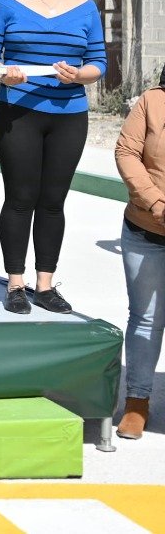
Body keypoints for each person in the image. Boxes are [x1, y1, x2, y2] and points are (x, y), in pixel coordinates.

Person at [0, 0, 107, 315]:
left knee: (53, 202)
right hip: (17, 113)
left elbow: (98, 63)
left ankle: (45, 285)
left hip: (69, 116)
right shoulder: (6, 2)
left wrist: (78, 76)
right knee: (20, 198)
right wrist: (3, 72)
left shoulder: (85, 7)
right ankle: (15, 284)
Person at [115, 65, 165, 439]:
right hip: (145, 229)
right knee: (145, 317)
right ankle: (137, 401)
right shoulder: (152, 100)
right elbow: (127, 152)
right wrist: (155, 203)